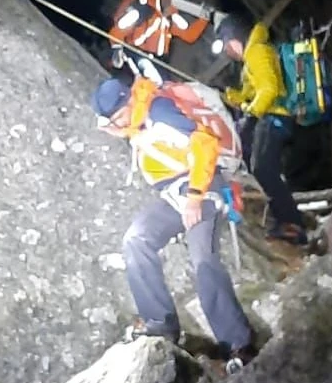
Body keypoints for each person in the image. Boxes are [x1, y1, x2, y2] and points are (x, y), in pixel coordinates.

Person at [90, 75, 257, 369]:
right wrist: (118, 128)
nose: (116, 125)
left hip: (202, 187)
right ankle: (160, 324)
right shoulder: (136, 120)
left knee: (203, 258)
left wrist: (195, 196)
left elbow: (204, 144)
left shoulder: (159, 110)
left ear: (129, 101)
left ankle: (239, 346)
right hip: (173, 196)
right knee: (136, 240)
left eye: (117, 118)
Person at [211, 14, 309, 245]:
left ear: (235, 38)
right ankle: (282, 219)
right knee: (258, 166)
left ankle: (292, 224)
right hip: (268, 116)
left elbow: (269, 88)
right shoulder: (250, 60)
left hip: (275, 116)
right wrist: (232, 97)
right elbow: (251, 94)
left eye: (227, 45)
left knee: (263, 169)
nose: (228, 52)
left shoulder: (257, 51)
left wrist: (252, 114)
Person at [106, 0, 212, 80]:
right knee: (153, 79)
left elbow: (188, 35)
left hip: (158, 61)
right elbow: (120, 28)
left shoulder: (170, 14)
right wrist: (117, 48)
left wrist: (204, 18)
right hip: (136, 55)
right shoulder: (144, 6)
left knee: (167, 85)